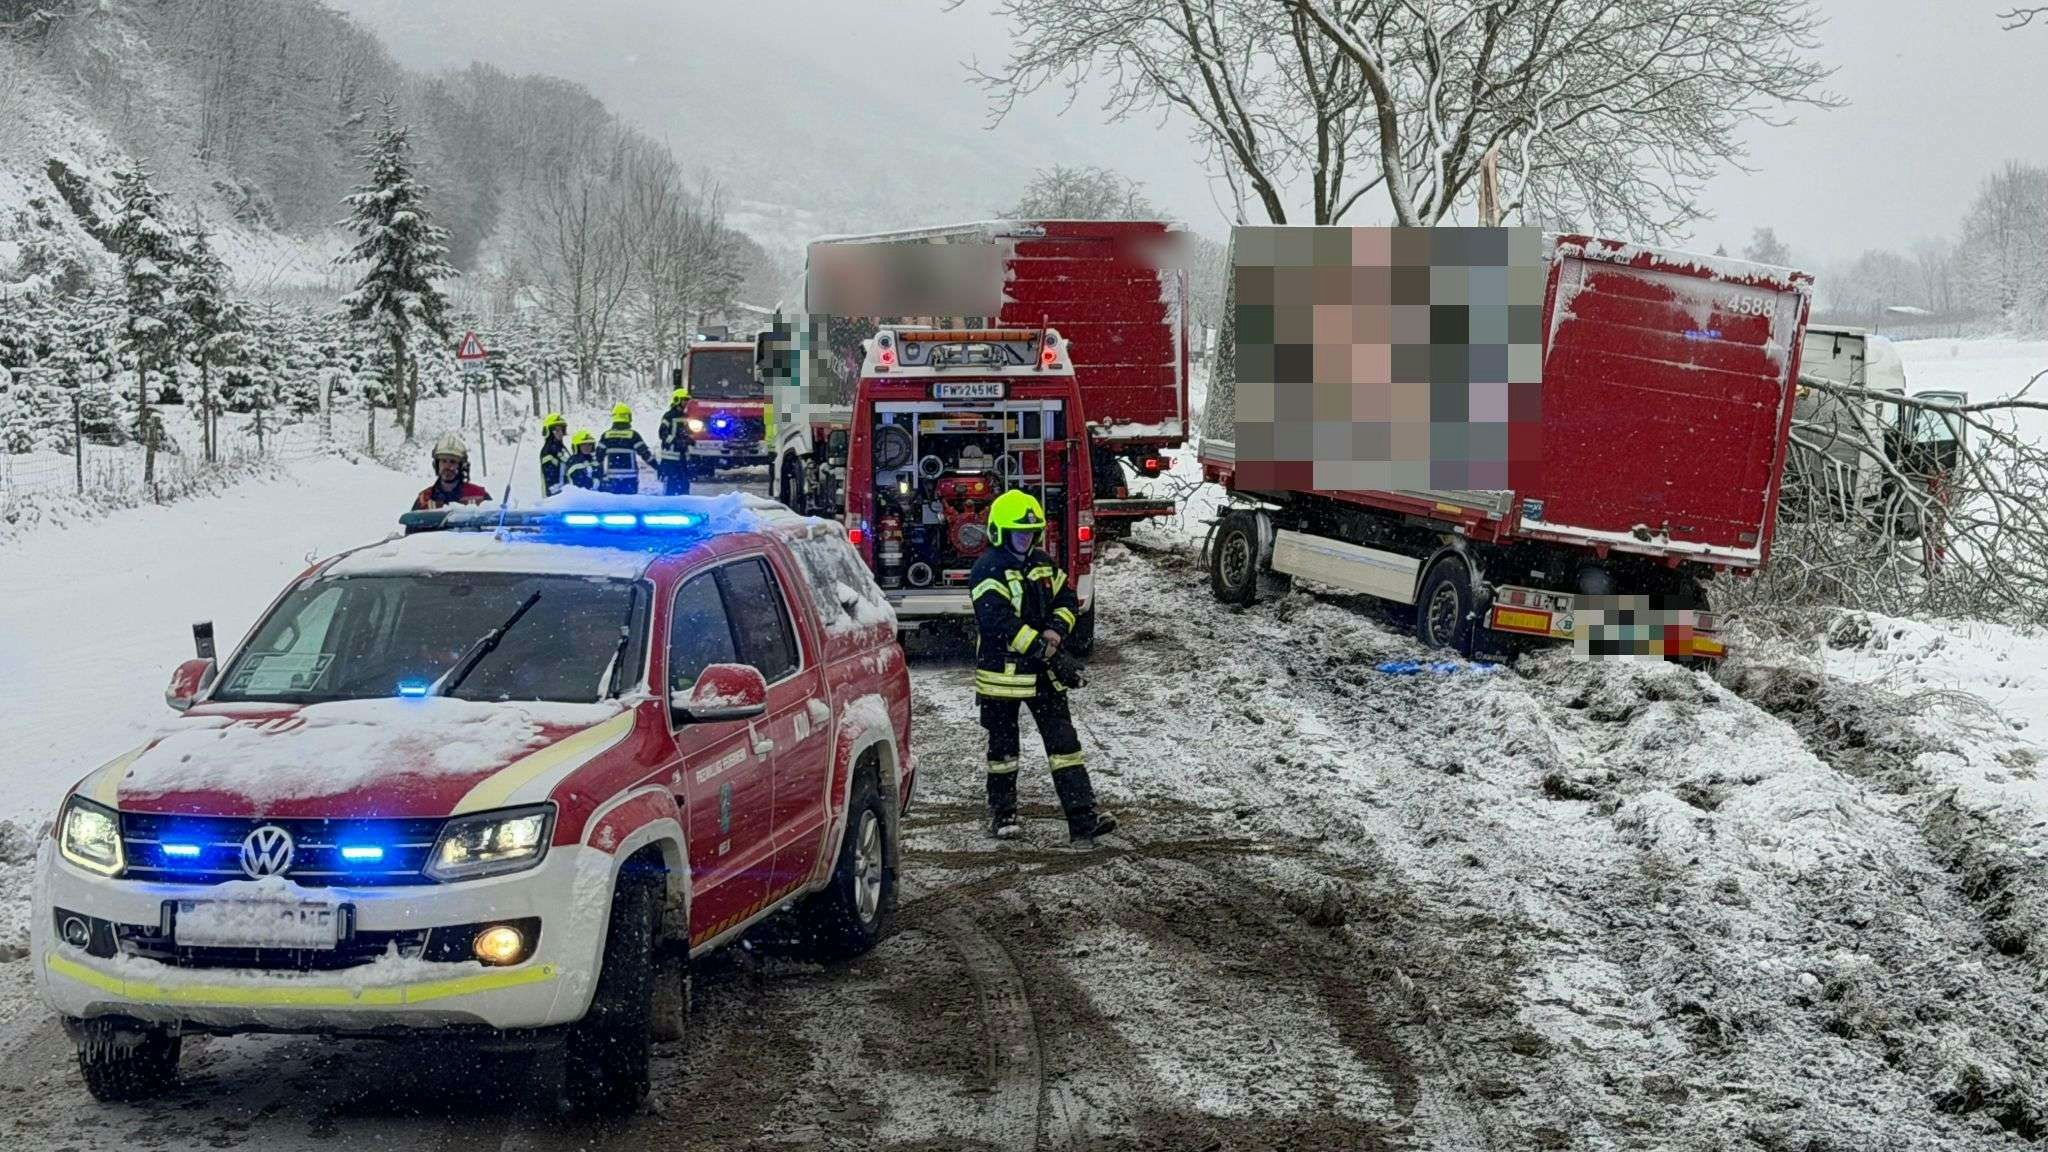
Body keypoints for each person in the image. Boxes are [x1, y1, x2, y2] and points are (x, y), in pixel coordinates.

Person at [968, 490, 1118, 844]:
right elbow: (999, 623)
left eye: (1032, 533)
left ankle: (1083, 820)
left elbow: (1067, 598)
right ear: (1000, 533)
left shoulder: (1041, 561)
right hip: (1002, 678)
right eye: (1020, 533)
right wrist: (1046, 650)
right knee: (1003, 752)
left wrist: (1056, 629)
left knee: (1065, 746)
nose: (1027, 539)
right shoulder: (987, 569)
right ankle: (1003, 815)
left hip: (1042, 675)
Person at [412, 433, 492, 511]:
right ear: (437, 464)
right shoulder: (424, 499)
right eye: (444, 461)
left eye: (453, 461)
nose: (448, 466)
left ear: (461, 466)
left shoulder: (479, 496)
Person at [598, 403, 658, 495]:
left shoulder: (606, 436)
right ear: (628, 417)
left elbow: (598, 457)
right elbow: (645, 454)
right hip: (630, 479)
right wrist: (658, 467)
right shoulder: (633, 435)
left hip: (612, 479)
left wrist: (599, 476)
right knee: (629, 505)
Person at [657, 386, 695, 496]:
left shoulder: (685, 416)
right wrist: (675, 441)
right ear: (677, 400)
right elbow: (662, 433)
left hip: (682, 457)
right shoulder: (668, 416)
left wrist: (689, 439)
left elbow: (687, 431)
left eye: (687, 400)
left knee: (684, 485)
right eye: (684, 400)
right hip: (671, 459)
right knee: (671, 486)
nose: (686, 403)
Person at [539, 413, 569, 496]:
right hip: (555, 497)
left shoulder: (562, 449)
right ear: (548, 432)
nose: (560, 433)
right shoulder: (548, 451)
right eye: (556, 430)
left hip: (567, 494)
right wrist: (559, 492)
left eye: (562, 430)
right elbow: (549, 477)